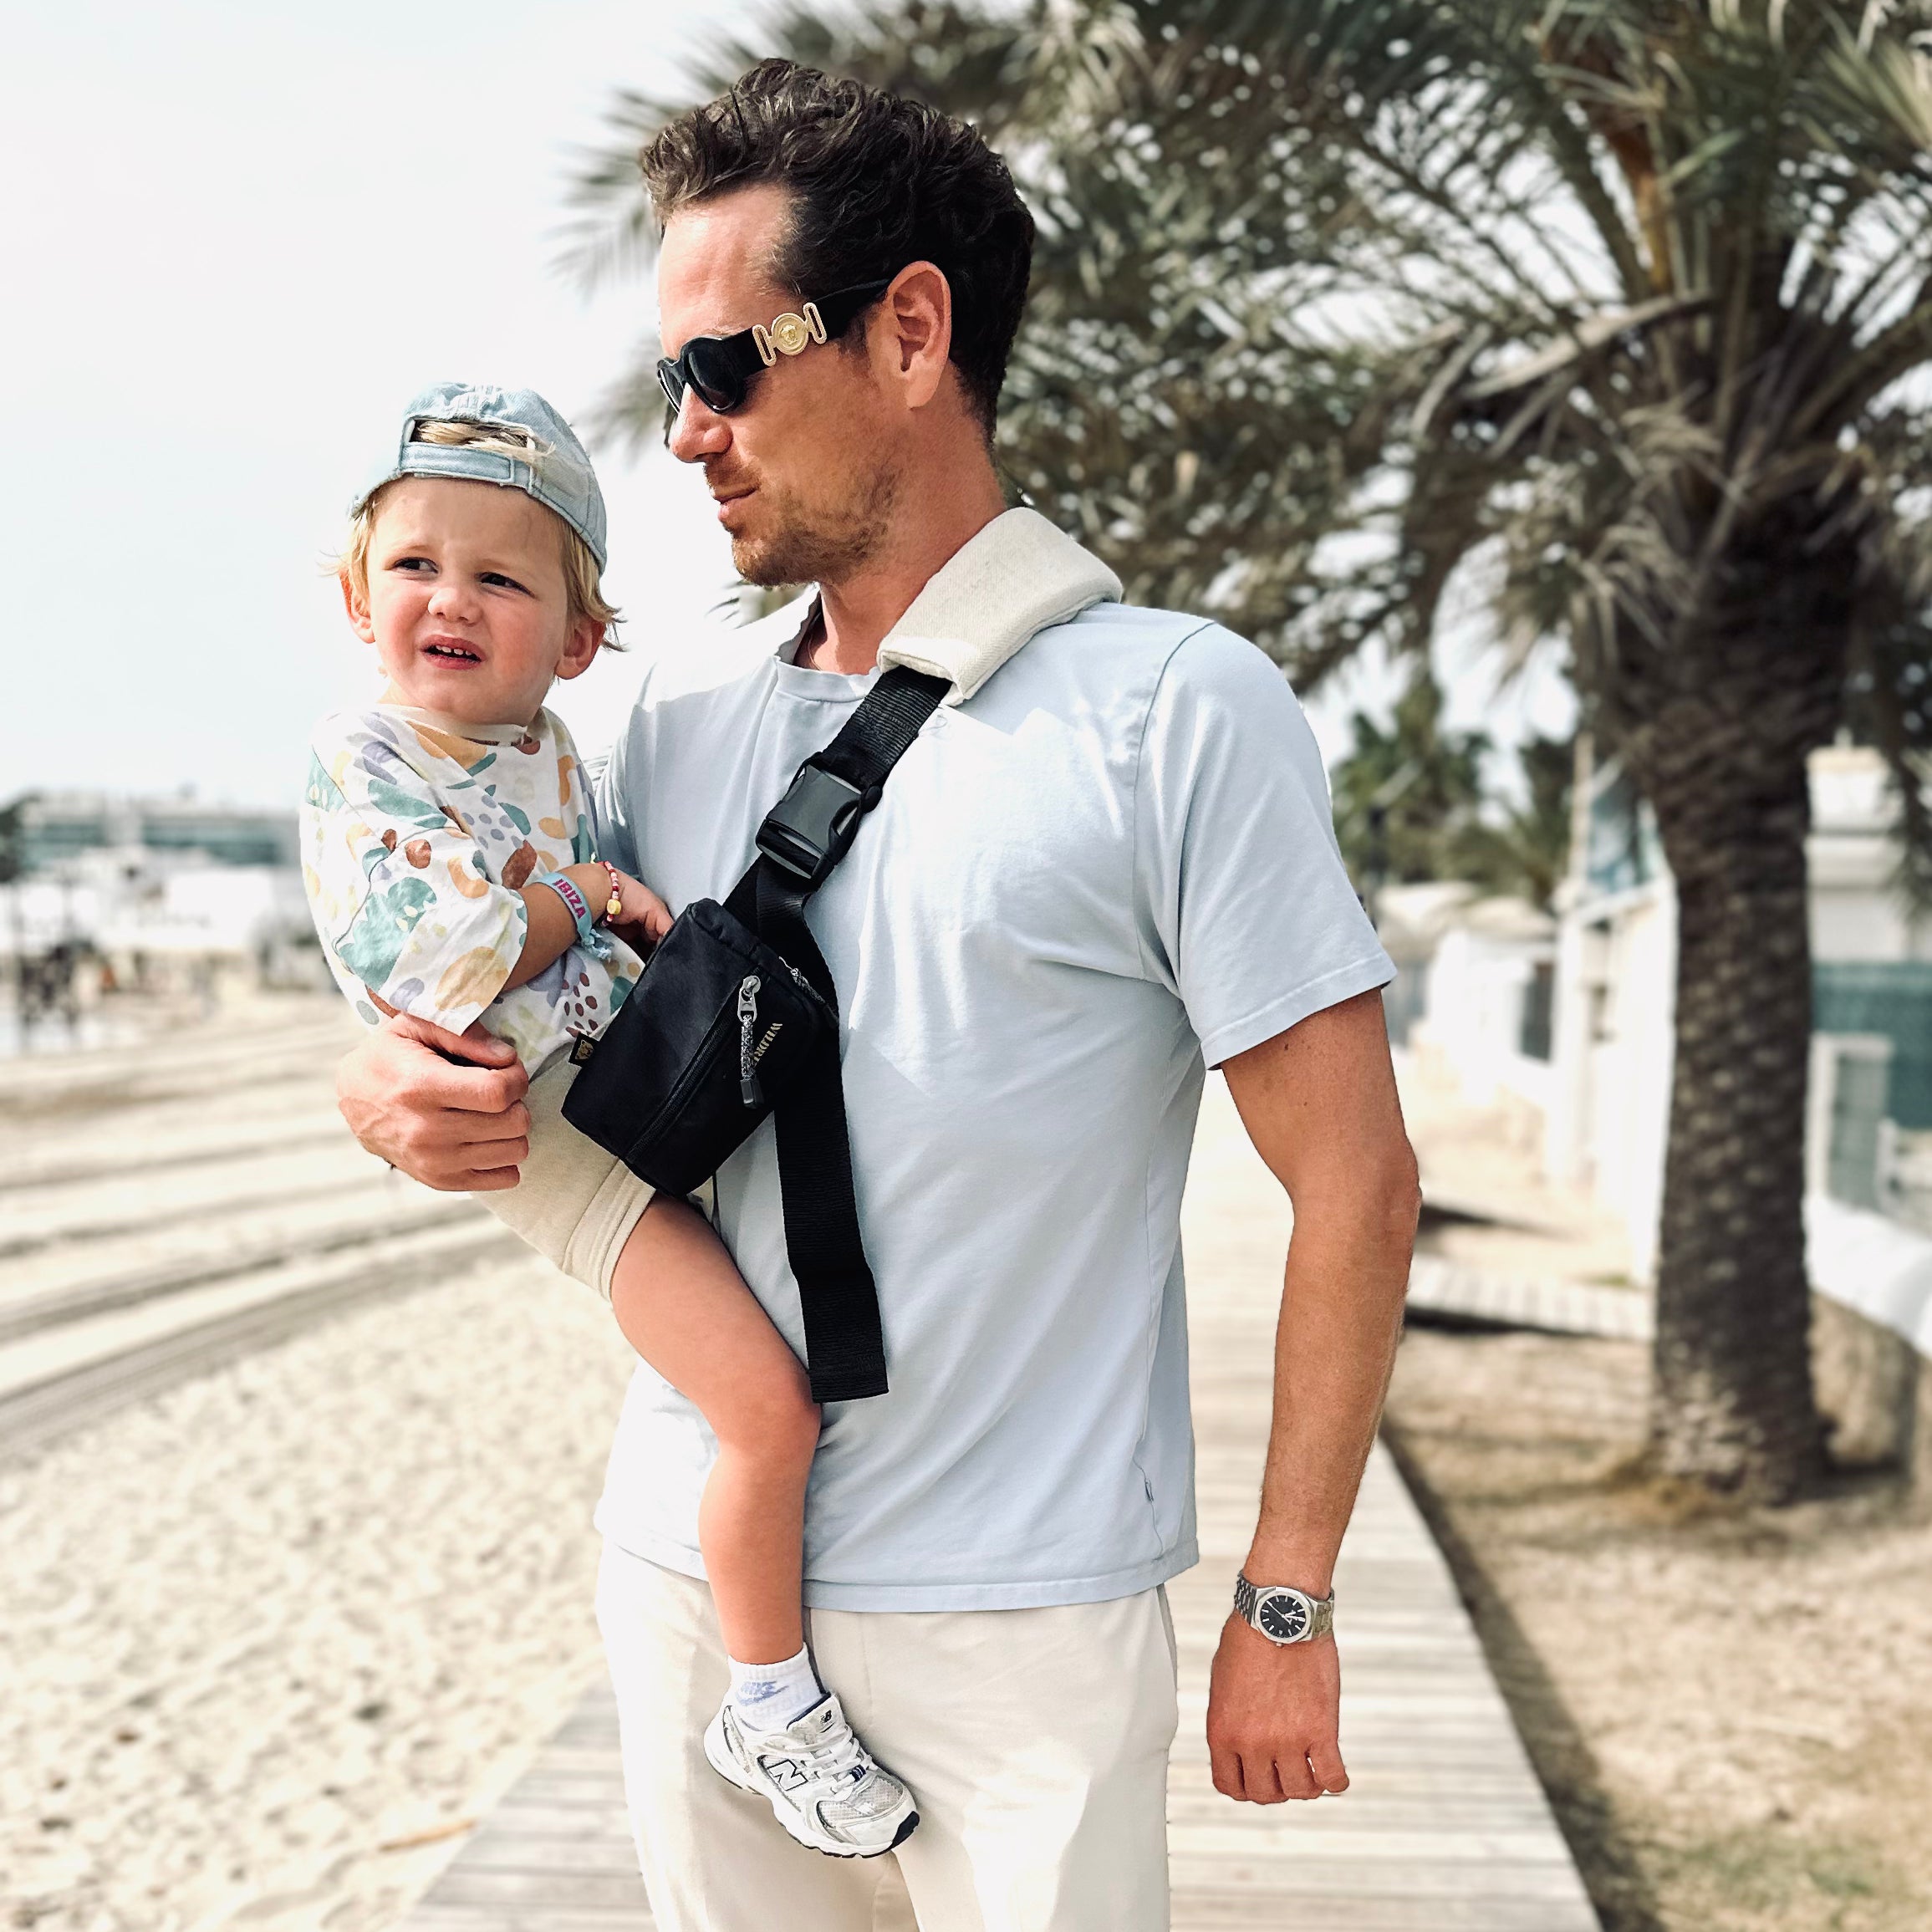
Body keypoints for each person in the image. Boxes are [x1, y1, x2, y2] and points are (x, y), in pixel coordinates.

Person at [334, 60, 1420, 1932]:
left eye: (724, 364)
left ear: (910, 332)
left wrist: (1286, 1598)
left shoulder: (1171, 710)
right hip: (693, 1582)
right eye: (673, 379)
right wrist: (375, 1090)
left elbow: (1356, 1178)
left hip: (1024, 1623)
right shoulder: (669, 719)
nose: (688, 431)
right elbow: (468, 960)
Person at [303, 383, 919, 1857]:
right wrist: (585, 898)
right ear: (358, 597)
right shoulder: (366, 763)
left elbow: (609, 923)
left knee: (767, 1369)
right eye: (416, 565)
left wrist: (630, 922)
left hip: (625, 1090)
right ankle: (769, 1700)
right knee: (766, 1408)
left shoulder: (563, 752)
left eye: (502, 579)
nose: (454, 599)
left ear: (578, 638)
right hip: (560, 1141)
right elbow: (440, 957)